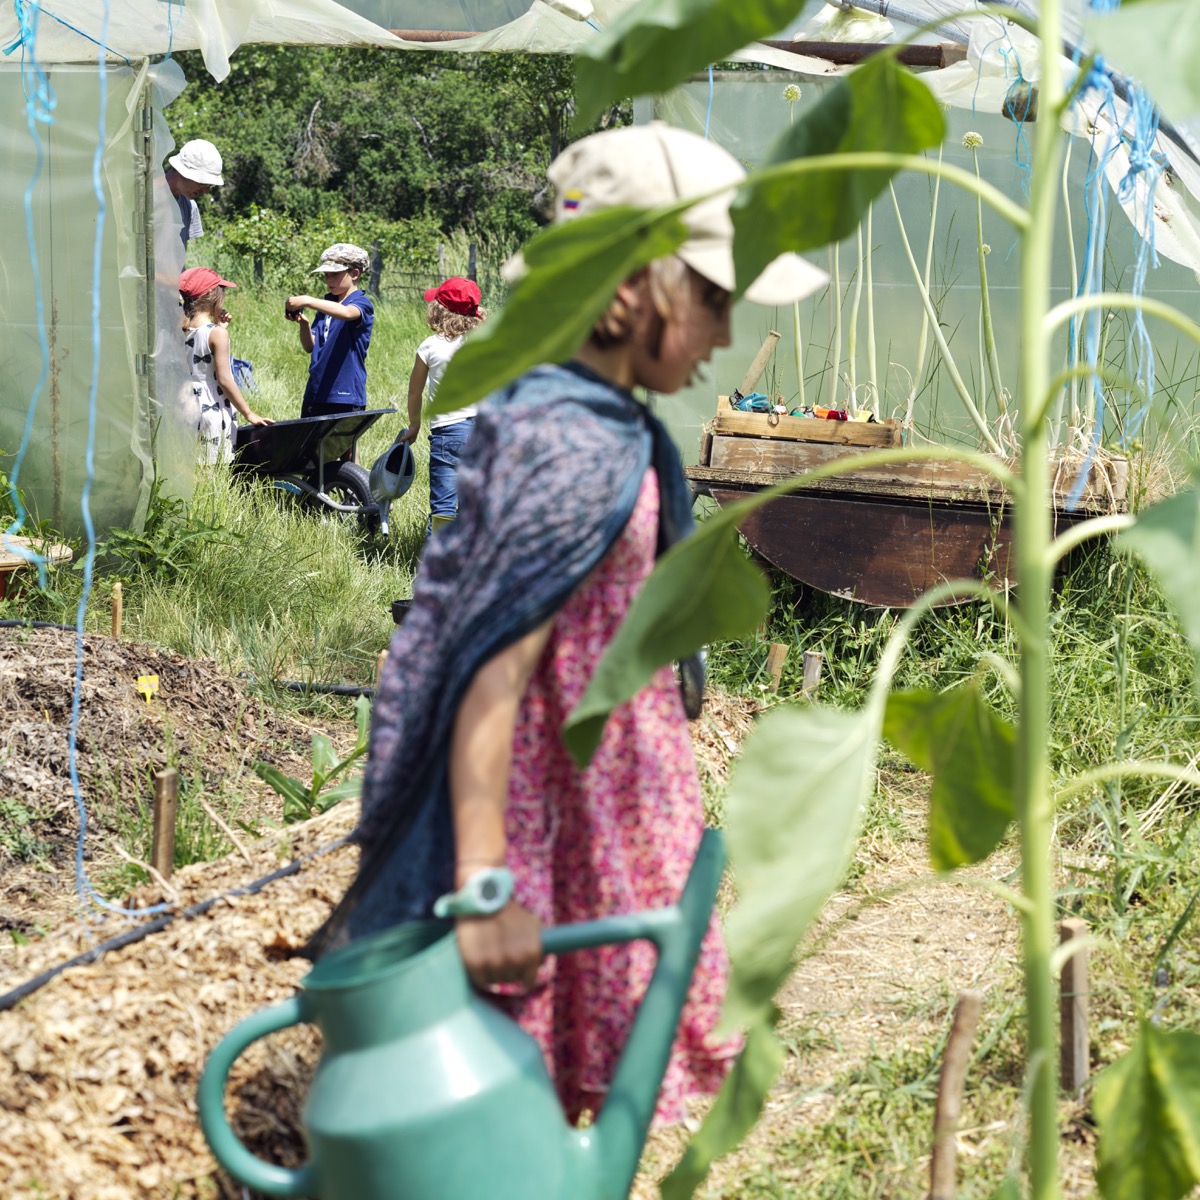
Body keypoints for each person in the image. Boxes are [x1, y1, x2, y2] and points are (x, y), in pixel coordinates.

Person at [323, 123, 827, 1124]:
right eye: (715, 299)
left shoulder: (615, 425)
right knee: (519, 1107)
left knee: (578, 1102)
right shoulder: (561, 439)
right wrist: (481, 882)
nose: (724, 334)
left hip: (609, 809)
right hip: (553, 824)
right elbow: (488, 671)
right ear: (638, 286)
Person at [401, 277, 487, 529]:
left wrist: (414, 425)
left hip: (448, 433)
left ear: (438, 310)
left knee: (443, 510)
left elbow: (414, 392)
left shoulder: (430, 346)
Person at [179, 267, 271, 464]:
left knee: (190, 465)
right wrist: (249, 413)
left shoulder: (179, 328)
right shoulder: (217, 334)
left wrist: (219, 327)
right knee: (210, 470)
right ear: (212, 294)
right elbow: (224, 379)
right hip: (211, 405)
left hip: (183, 403)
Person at [286, 243, 375, 419]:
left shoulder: (361, 303)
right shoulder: (328, 305)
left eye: (335, 274)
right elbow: (310, 346)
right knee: (310, 446)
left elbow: (348, 313)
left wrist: (307, 300)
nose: (329, 280)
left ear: (355, 273)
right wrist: (304, 325)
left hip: (345, 395)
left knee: (341, 447)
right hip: (316, 391)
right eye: (326, 275)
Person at [165, 139, 223, 249]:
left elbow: (178, 259)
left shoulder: (190, 206)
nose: (206, 191)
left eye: (209, 186)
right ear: (182, 172)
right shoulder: (145, 198)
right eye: (203, 183)